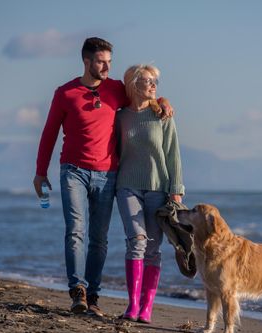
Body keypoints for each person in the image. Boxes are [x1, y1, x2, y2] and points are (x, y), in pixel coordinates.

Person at [33, 38, 171, 317]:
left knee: (100, 238)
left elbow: (141, 95)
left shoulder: (116, 89)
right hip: (73, 170)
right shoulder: (65, 93)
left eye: (110, 61)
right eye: (101, 62)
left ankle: (93, 296)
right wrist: (40, 172)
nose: (107, 66)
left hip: (108, 174)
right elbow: (49, 133)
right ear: (86, 62)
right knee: (75, 230)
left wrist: (163, 100)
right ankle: (78, 292)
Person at [116, 64, 185, 323]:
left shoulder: (163, 116)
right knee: (137, 242)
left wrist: (176, 190)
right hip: (126, 186)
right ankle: (132, 306)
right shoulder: (120, 116)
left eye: (155, 80)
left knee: (153, 250)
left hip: (158, 189)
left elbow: (173, 154)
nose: (153, 85)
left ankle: (146, 309)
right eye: (147, 80)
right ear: (134, 84)